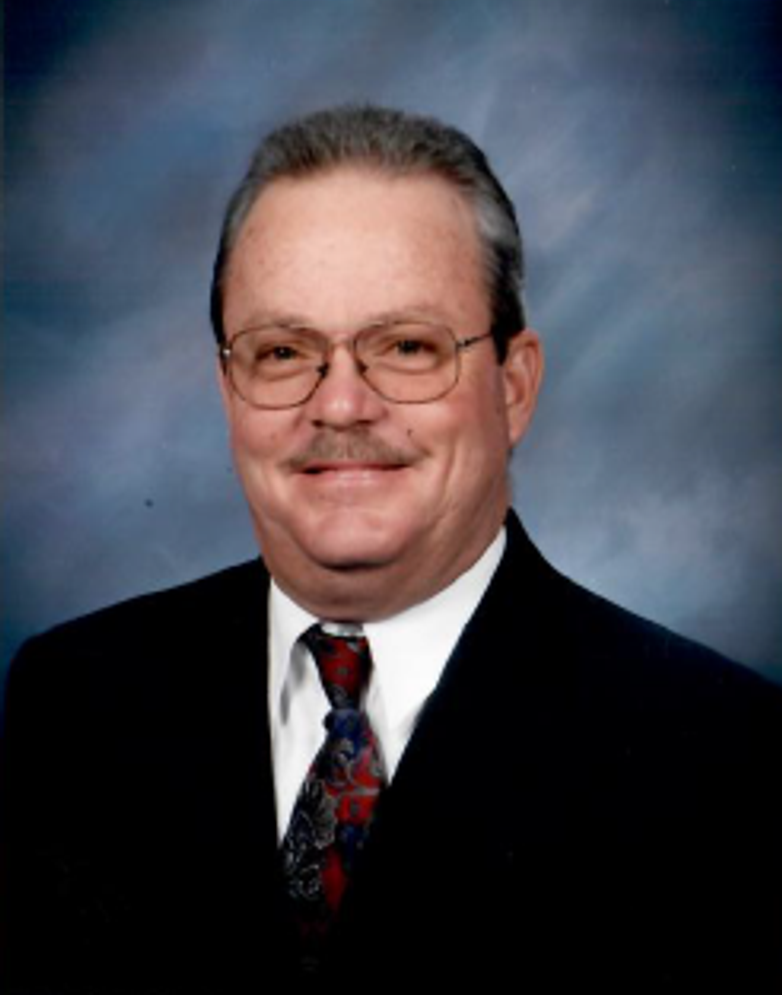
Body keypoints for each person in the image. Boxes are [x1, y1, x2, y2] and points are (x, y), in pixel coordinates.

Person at [1, 104, 780, 993]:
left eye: (407, 346)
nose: (340, 405)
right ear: (228, 388)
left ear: (514, 387)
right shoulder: (76, 702)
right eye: (283, 351)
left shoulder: (718, 753)